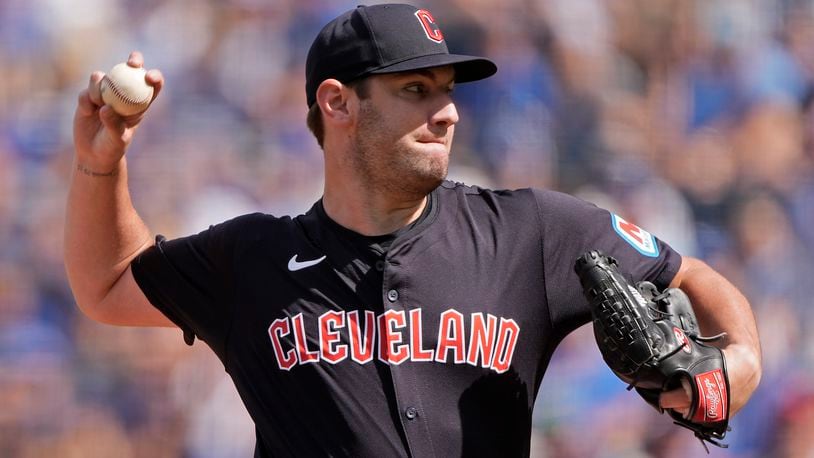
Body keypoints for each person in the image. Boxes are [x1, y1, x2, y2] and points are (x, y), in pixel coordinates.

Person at [65, 4, 761, 457]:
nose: (449, 113)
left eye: (448, 90)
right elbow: (107, 285)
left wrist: (736, 370)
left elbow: (692, 277)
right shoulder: (253, 260)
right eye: (415, 91)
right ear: (338, 104)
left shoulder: (528, 231)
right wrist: (103, 166)